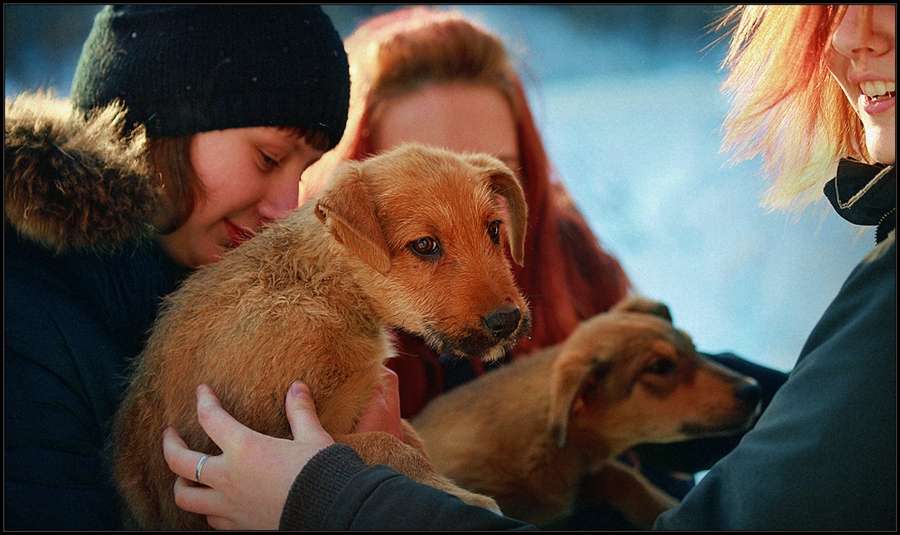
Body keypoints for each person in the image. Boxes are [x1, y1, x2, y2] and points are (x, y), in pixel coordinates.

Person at [161, 4, 895, 531]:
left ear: (527, 180)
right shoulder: (299, 339)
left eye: (490, 181)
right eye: (424, 222)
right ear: (355, 200)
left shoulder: (585, 285)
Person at [302, 8, 787, 517]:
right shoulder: (319, 337)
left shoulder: (570, 258)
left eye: (493, 179)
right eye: (428, 185)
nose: (469, 207)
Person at [4, 5, 353, 530]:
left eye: (304, 171)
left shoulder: (242, 321)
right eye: (268, 158)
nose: (287, 206)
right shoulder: (23, 315)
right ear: (161, 122)